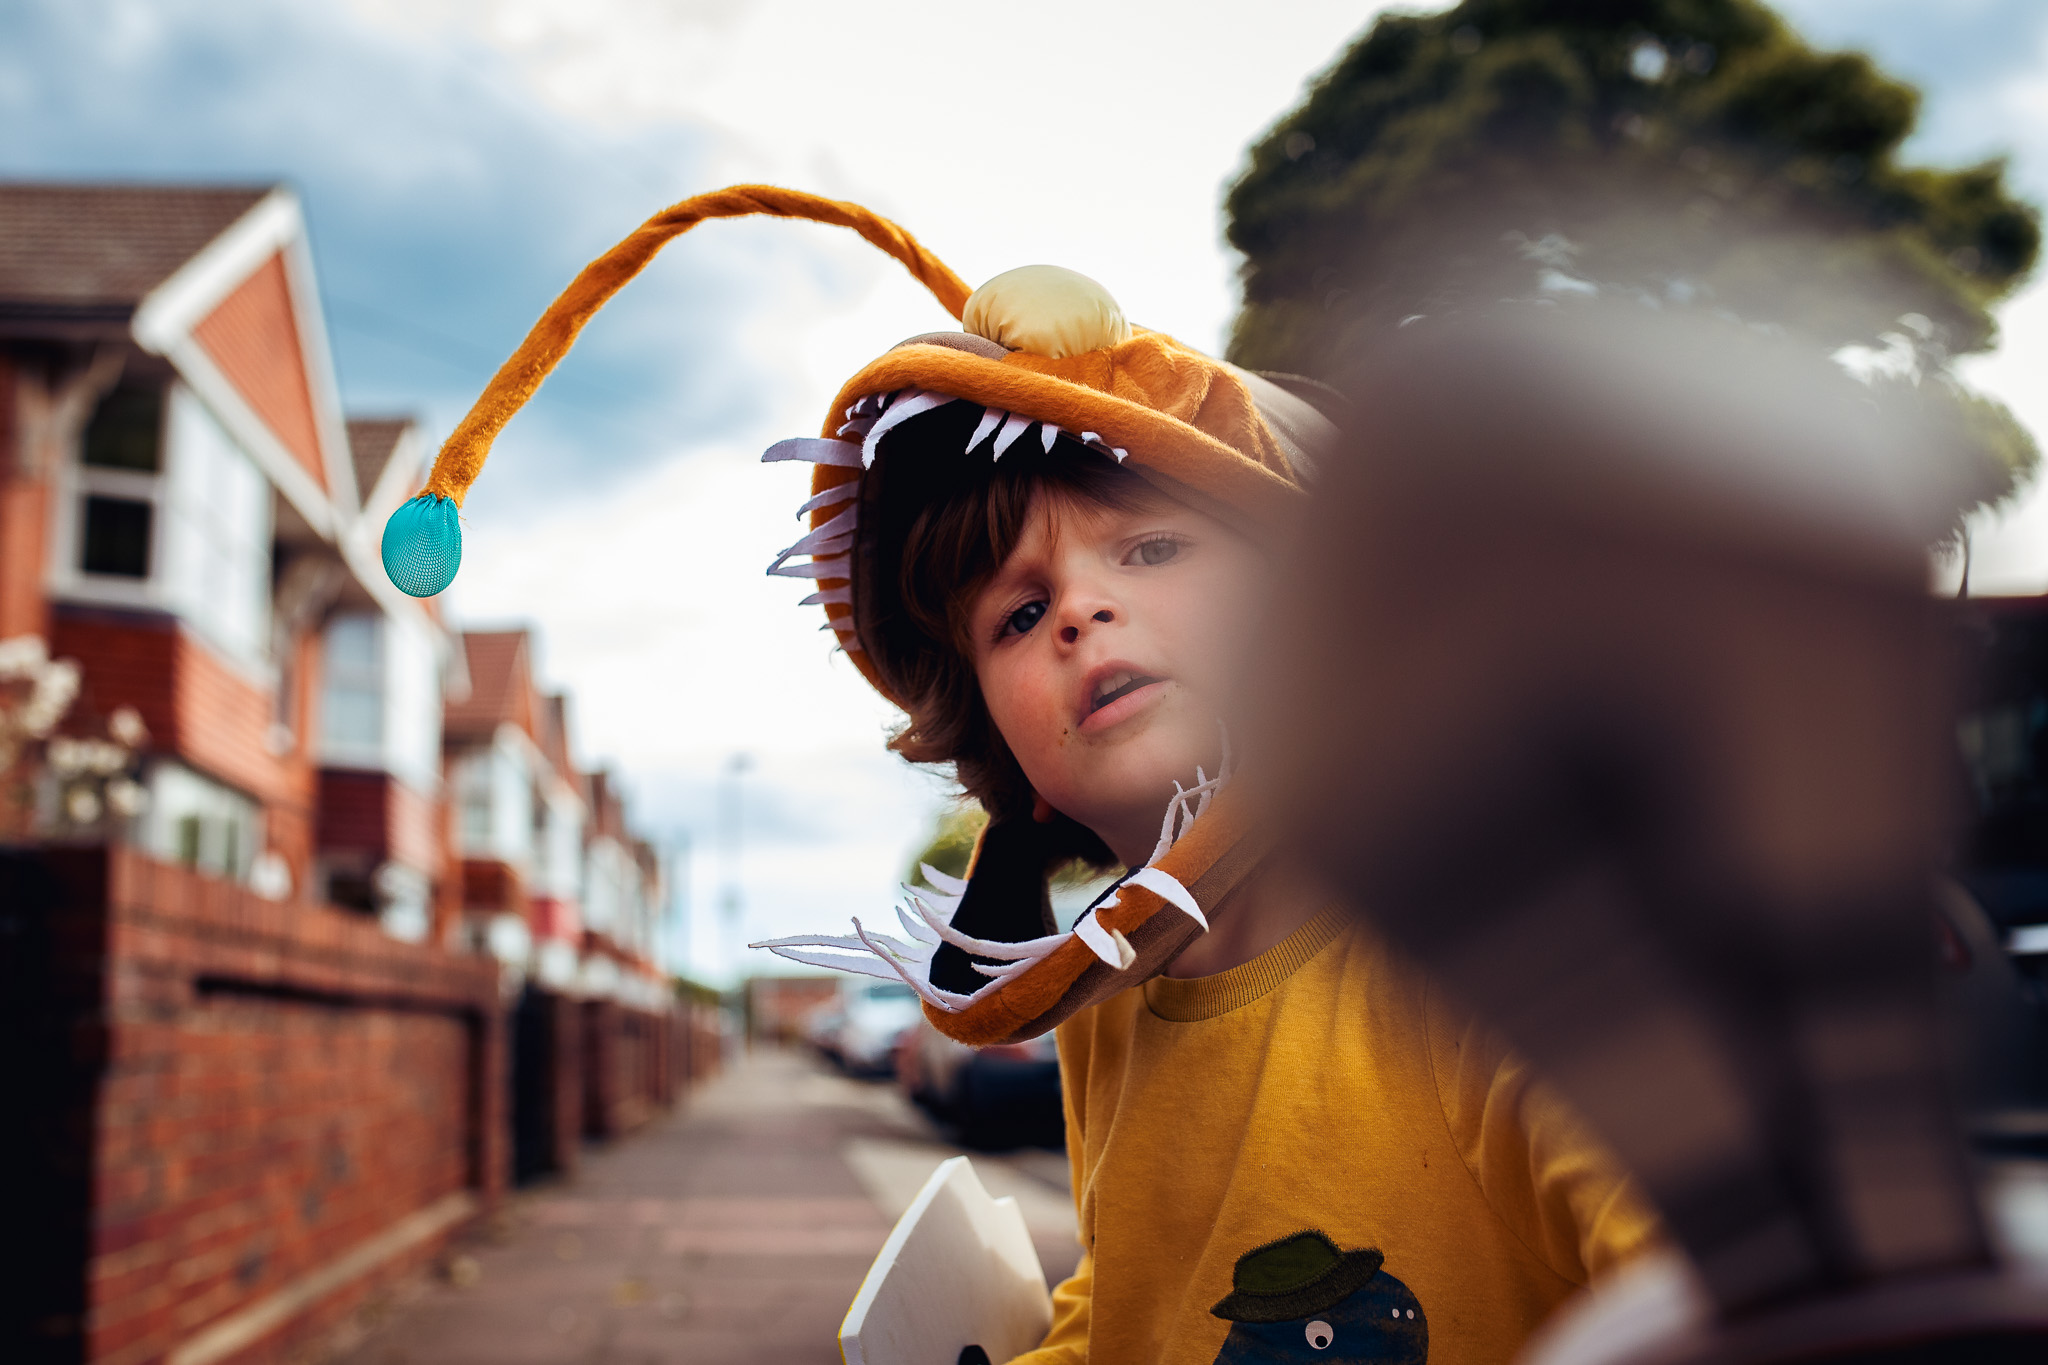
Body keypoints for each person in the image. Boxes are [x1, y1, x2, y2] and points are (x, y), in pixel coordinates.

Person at [379, 186, 1663, 1365]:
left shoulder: (1489, 946)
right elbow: (1117, 1300)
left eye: (1151, 548)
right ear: (1017, 776)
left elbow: (1720, 1268)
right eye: (1013, 613)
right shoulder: (1105, 1005)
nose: (1079, 614)